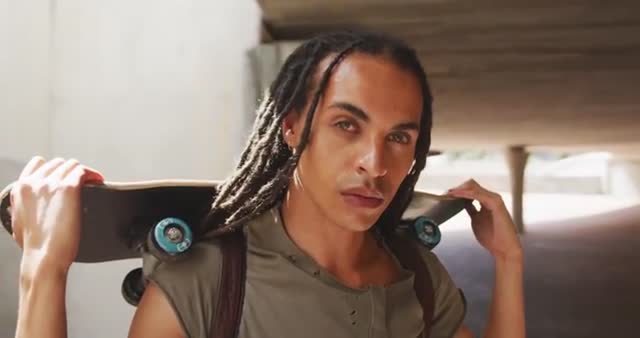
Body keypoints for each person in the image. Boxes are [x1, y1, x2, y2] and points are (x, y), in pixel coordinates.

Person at [10, 31, 525, 338]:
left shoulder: (419, 273)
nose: (376, 162)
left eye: (399, 137)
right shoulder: (209, 279)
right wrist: (42, 271)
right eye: (347, 125)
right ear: (293, 127)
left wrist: (508, 262)